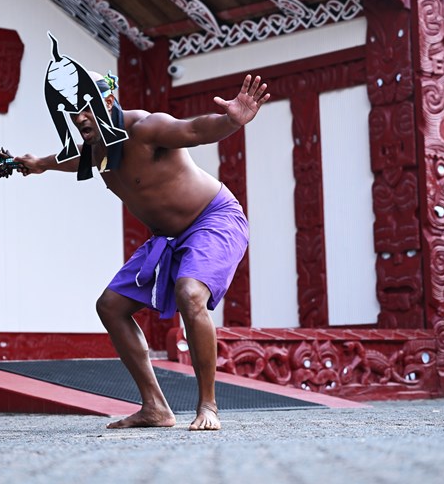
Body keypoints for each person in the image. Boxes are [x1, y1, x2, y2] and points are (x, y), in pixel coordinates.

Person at [15, 71, 269, 431]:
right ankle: (155, 408)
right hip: (166, 237)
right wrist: (40, 164)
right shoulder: (95, 149)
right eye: (73, 112)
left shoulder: (146, 128)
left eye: (86, 108)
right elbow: (75, 160)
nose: (79, 118)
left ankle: (208, 406)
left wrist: (230, 120)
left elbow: (195, 130)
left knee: (189, 292)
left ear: (108, 102)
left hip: (214, 218)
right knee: (111, 306)